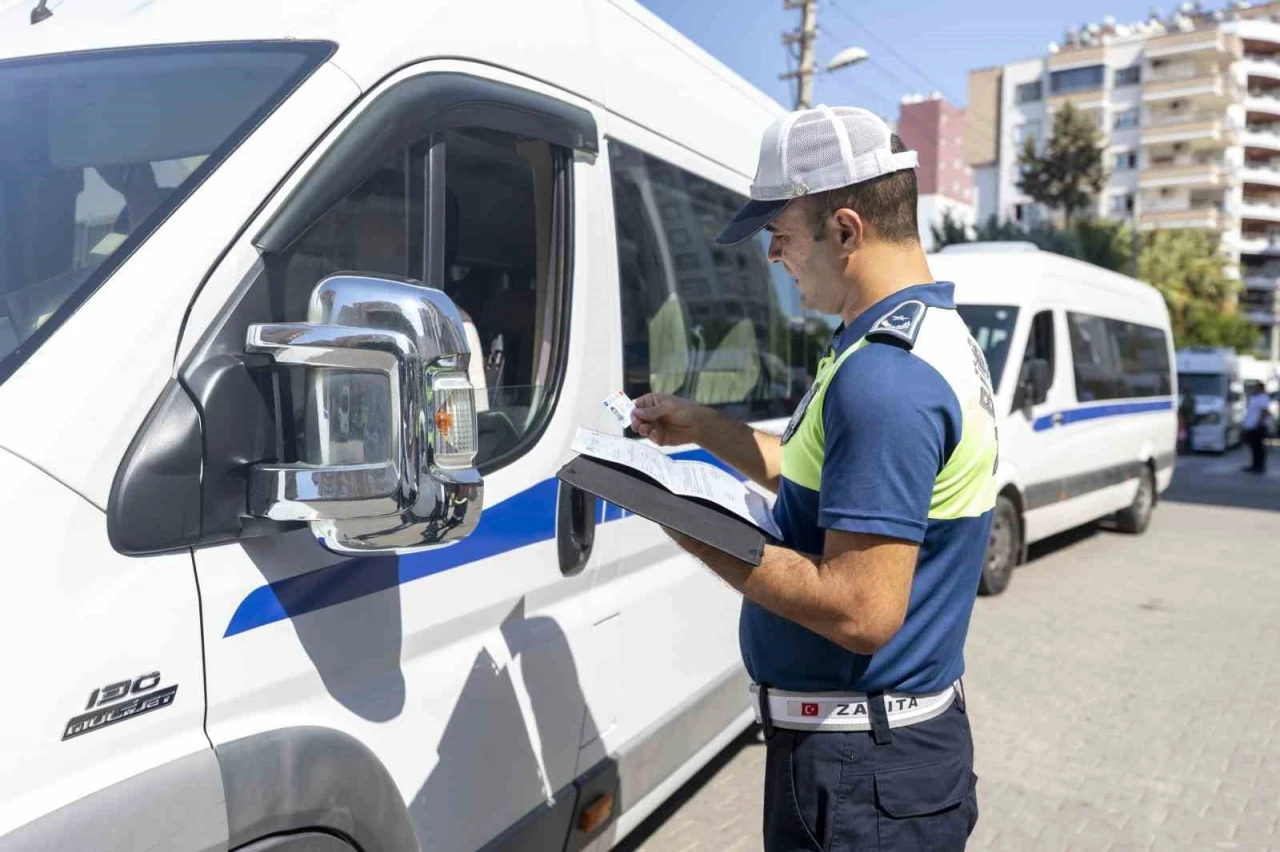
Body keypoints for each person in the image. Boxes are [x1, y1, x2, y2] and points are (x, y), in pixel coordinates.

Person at [631, 106, 995, 851]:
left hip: (862, 778)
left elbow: (862, 610)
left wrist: (685, 522)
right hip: (878, 763)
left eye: (782, 235)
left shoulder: (885, 379)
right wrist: (705, 428)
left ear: (846, 231)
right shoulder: (917, 337)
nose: (772, 256)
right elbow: (826, 481)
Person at [1242, 380, 1270, 474]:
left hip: (1258, 426)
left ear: (1261, 388)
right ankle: (1254, 465)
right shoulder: (1255, 397)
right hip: (1251, 426)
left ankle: (1260, 466)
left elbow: (1264, 412)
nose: (1255, 388)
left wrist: (1258, 424)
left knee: (1258, 447)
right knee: (1253, 447)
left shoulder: (1263, 398)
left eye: (1257, 387)